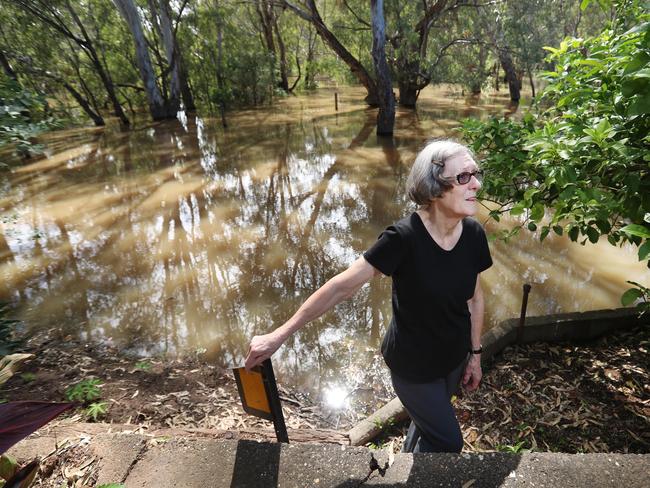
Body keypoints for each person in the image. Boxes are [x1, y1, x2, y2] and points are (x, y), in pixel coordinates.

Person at [245, 139, 492, 453]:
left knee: (428, 426)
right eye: (463, 177)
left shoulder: (473, 234)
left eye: (475, 174)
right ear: (433, 188)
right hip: (414, 368)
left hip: (453, 360)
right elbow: (341, 287)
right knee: (448, 442)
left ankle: (407, 464)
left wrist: (475, 354)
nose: (476, 184)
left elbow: (475, 298)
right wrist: (279, 334)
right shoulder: (403, 238)